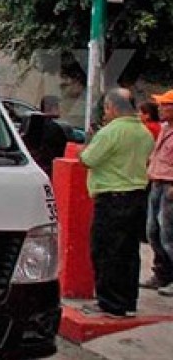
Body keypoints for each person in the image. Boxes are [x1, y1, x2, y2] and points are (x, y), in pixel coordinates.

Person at [78, 88, 155, 317]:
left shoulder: (110, 132)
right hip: (137, 196)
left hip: (112, 198)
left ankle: (110, 303)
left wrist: (86, 147)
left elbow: (88, 159)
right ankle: (128, 301)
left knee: (106, 251)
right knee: (129, 252)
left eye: (106, 108)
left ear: (112, 107)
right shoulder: (143, 132)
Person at [142, 89, 173, 295]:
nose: (160, 108)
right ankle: (162, 274)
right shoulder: (164, 128)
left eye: (165, 105)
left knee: (168, 234)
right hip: (156, 183)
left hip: (169, 186)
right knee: (153, 231)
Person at [24, 95, 69, 179]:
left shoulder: (34, 125)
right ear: (52, 108)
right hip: (50, 168)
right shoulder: (55, 128)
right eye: (58, 106)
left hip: (37, 166)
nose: (61, 110)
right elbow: (63, 150)